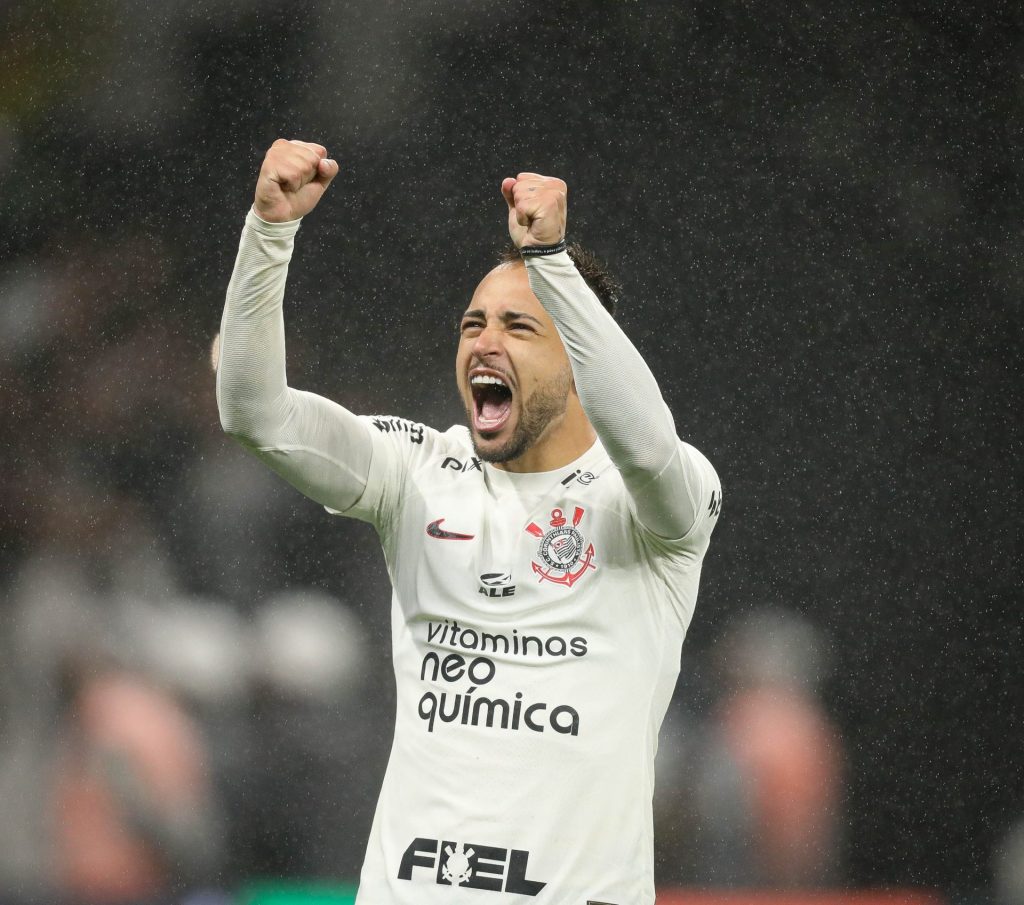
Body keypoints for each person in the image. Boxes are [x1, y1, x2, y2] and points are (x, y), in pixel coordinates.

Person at [216, 138, 722, 905]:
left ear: (583, 357)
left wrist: (551, 258)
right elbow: (258, 416)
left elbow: (648, 447)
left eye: (519, 327)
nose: (484, 341)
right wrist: (268, 229)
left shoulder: (655, 504)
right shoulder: (415, 470)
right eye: (473, 324)